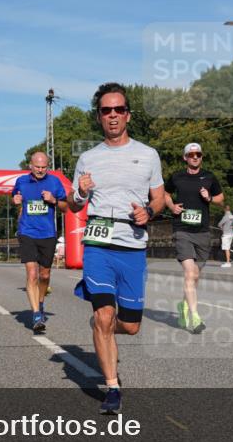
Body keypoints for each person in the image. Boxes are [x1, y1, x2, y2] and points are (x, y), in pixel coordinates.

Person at [69, 82, 165, 413]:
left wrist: (149, 211)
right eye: (106, 110)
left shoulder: (148, 154)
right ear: (99, 116)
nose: (112, 115)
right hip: (98, 244)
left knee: (130, 325)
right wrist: (80, 193)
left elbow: (159, 197)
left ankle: (102, 329)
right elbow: (72, 204)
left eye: (118, 110)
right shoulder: (88, 158)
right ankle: (112, 388)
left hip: (133, 245)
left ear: (128, 115)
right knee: (104, 314)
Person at [164, 143, 225, 332]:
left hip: (203, 232)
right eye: (191, 155)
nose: (195, 157)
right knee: (190, 273)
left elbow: (220, 197)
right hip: (182, 230)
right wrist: (172, 206)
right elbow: (165, 193)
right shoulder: (176, 177)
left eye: (198, 154)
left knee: (195, 275)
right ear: (185, 158)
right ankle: (195, 317)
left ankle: (184, 305)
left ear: (202, 157)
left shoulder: (209, 177)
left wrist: (209, 198)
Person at [13, 151, 68, 333]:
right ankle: (36, 314)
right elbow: (15, 196)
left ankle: (41, 301)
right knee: (32, 274)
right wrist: (16, 199)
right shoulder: (21, 181)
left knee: (44, 275)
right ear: (30, 165)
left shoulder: (54, 182)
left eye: (44, 167)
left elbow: (66, 206)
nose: (40, 170)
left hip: (47, 234)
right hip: (27, 231)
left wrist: (53, 200)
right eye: (37, 167)